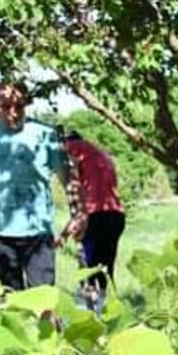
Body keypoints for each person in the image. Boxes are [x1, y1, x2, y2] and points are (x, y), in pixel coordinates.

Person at [0, 82, 68, 289]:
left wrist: (79, 213)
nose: (13, 112)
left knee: (44, 299)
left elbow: (67, 177)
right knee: (7, 299)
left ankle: (47, 323)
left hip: (38, 231)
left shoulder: (45, 134)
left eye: (19, 106)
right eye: (6, 106)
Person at [61, 131, 126, 306]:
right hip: (116, 214)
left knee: (88, 270)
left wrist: (68, 229)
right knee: (106, 269)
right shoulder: (100, 153)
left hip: (95, 216)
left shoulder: (69, 150)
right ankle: (110, 310)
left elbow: (74, 189)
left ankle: (91, 313)